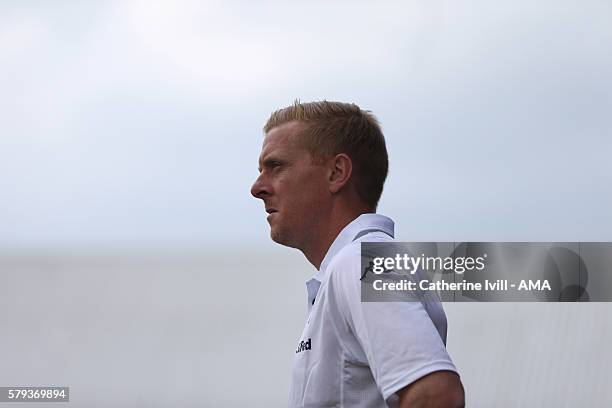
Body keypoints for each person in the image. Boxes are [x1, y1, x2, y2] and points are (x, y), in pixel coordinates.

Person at [251, 100, 464, 408]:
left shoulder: (360, 262)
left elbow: (437, 394)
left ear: (337, 173)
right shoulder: (356, 264)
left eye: (277, 166)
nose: (257, 187)